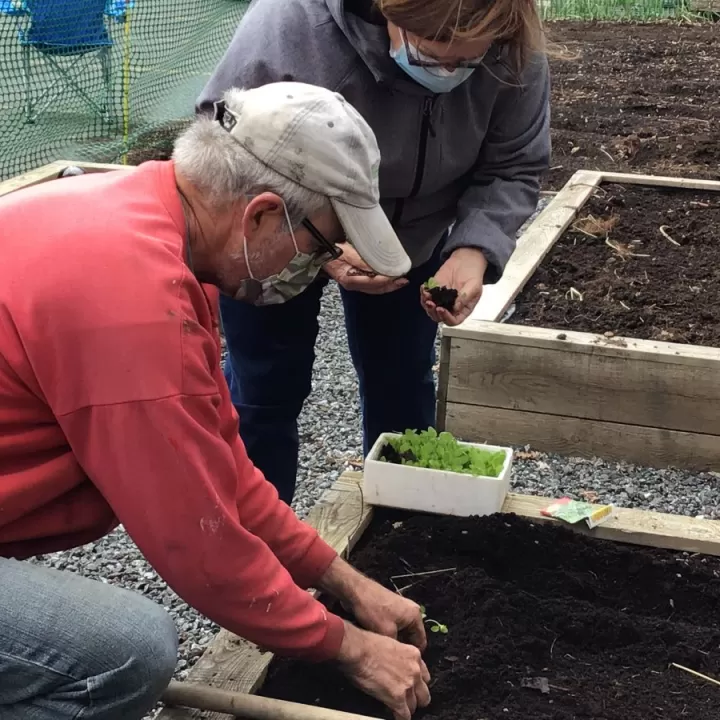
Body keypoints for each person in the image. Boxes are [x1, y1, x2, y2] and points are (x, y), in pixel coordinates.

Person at [0, 82, 430, 720]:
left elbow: (223, 469)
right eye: (317, 246)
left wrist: (346, 584)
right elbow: (195, 538)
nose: (317, 267)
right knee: (129, 653)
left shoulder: (148, 223)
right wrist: (349, 648)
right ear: (259, 215)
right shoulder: (132, 305)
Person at [198, 0, 552, 504]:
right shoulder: (292, 22)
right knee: (265, 388)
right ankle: (255, 544)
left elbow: (514, 165)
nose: (450, 73)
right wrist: (323, 244)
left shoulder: (511, 39)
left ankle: (400, 537)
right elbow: (220, 141)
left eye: (468, 63)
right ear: (392, 12)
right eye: (433, 57)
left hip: (415, 240)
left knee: (403, 384)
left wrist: (472, 248)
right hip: (286, 231)